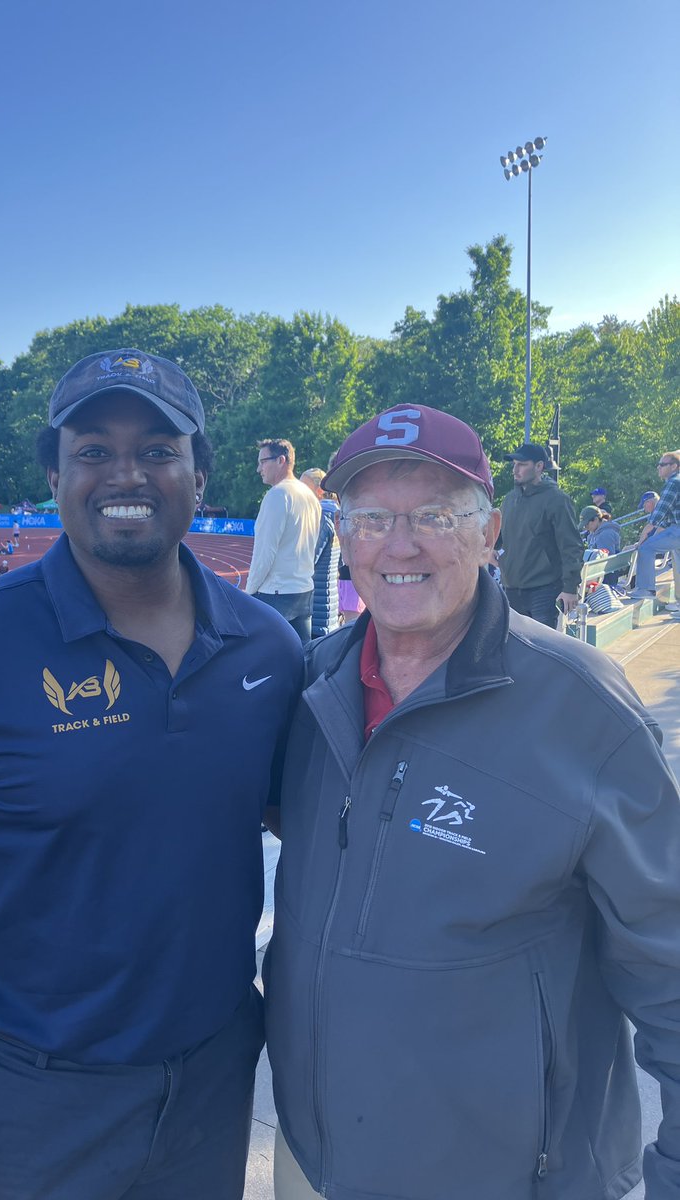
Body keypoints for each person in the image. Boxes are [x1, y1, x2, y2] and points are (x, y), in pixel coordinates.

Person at [0, 347, 302, 1200]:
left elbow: (306, 821)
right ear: (54, 470)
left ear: (199, 474)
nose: (128, 473)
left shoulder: (268, 650)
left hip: (216, 1081)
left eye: (158, 449)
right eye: (93, 450)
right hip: (27, 1106)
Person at [264, 402, 680, 1200]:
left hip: (501, 1177)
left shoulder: (584, 711)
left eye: (435, 515)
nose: (400, 543)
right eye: (374, 516)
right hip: (314, 1159)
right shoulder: (310, 686)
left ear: (490, 535)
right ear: (342, 535)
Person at [498, 441, 584, 627]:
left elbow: (572, 546)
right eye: (514, 464)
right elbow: (498, 537)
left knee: (541, 650)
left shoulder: (557, 500)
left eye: (522, 464)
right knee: (513, 649)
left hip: (544, 590)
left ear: (539, 466)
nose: (515, 470)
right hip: (511, 589)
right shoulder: (509, 500)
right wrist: (487, 550)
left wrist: (570, 588)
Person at [246, 439, 322, 643]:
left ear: (281, 460)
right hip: (304, 589)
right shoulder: (309, 495)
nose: (258, 469)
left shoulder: (277, 495)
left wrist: (249, 592)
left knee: (269, 660)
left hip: (276, 593)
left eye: (263, 462)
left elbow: (264, 553)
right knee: (302, 656)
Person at [632, 449, 679, 608]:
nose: (658, 468)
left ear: (674, 467)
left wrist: (643, 539)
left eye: (662, 464)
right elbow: (668, 517)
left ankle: (646, 589)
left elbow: (658, 515)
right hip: (675, 527)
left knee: (646, 548)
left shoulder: (673, 483)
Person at [300, 468, 340, 637]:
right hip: (328, 606)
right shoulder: (337, 514)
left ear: (319, 491)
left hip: (316, 610)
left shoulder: (321, 516)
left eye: (304, 488)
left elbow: (308, 559)